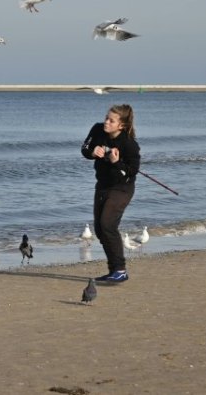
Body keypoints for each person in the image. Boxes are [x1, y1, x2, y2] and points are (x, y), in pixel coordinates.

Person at [80, 104, 140, 283]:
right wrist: (92, 152)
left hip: (122, 188)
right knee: (99, 229)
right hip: (103, 185)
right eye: (106, 118)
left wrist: (116, 162)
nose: (106, 122)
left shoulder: (129, 144)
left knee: (107, 224)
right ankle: (114, 269)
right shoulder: (97, 129)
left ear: (121, 125)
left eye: (111, 120)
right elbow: (84, 149)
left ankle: (120, 269)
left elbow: (132, 172)